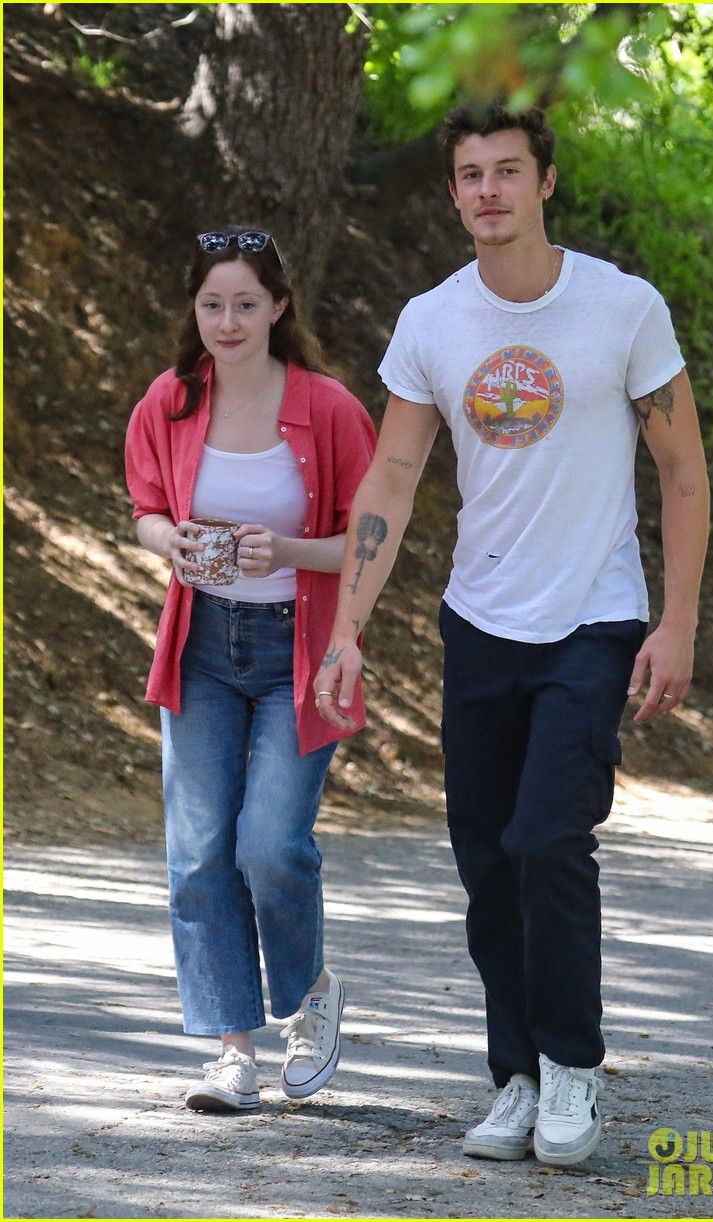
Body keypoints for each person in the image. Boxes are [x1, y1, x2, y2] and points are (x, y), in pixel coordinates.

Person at [314, 105, 709, 1164]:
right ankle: (516, 1077)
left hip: (594, 617)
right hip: (479, 620)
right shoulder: (432, 321)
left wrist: (674, 623)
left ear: (544, 182)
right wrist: (347, 627)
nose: (486, 190)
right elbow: (392, 475)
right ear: (452, 193)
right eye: (468, 175)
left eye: (506, 171)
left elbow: (680, 470)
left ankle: (573, 1069)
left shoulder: (622, 308)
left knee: (546, 842)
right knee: (487, 862)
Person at [125, 225, 376, 1112]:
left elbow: (366, 542)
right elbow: (147, 509)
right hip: (199, 646)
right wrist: (176, 541)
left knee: (269, 846)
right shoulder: (171, 400)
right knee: (198, 853)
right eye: (210, 304)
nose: (226, 321)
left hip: (293, 651)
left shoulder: (329, 409)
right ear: (194, 312)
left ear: (277, 309)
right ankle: (232, 1049)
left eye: (244, 304)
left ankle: (309, 998)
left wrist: (289, 550)